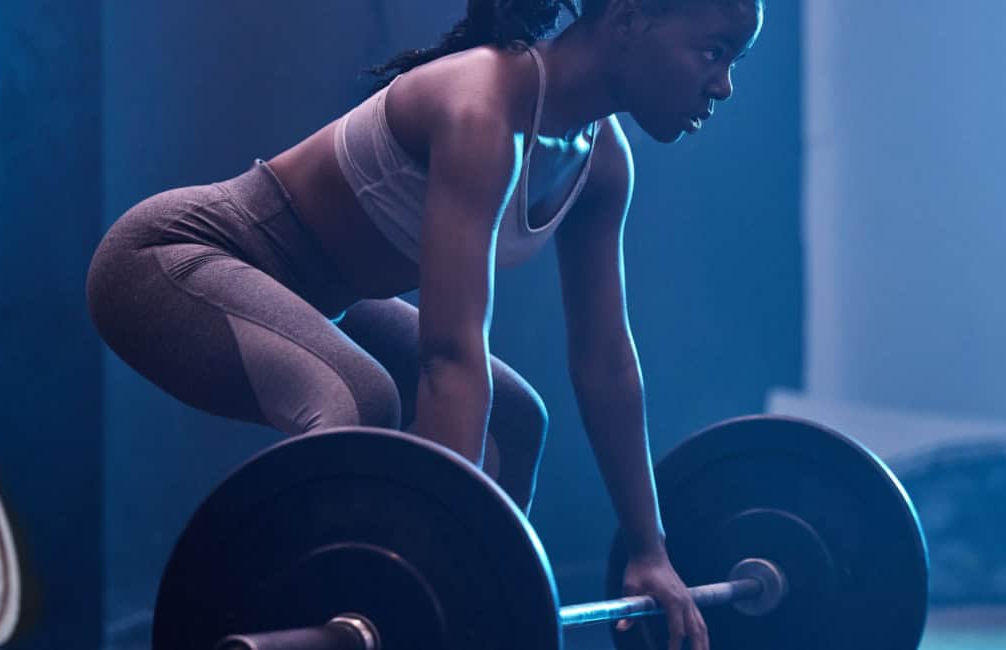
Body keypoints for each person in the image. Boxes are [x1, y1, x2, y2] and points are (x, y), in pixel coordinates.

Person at [88, 0, 762, 647]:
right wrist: (420, 556)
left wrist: (649, 551)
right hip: (172, 259)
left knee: (515, 421)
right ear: (629, 16)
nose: (725, 86)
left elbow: (606, 363)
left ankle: (464, 620)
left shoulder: (601, 161)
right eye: (714, 51)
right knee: (359, 399)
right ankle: (292, 610)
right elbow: (449, 358)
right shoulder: (482, 105)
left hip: (312, 288)